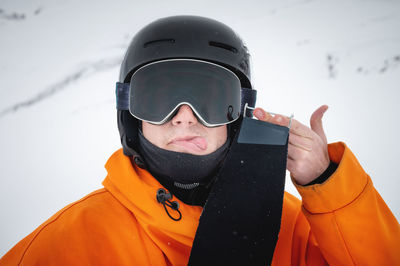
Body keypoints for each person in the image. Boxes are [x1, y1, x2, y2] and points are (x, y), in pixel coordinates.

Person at [1, 15, 399, 266]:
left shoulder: (289, 226)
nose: (185, 115)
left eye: (211, 99)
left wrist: (325, 184)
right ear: (130, 114)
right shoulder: (74, 243)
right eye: (159, 98)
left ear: (240, 113)